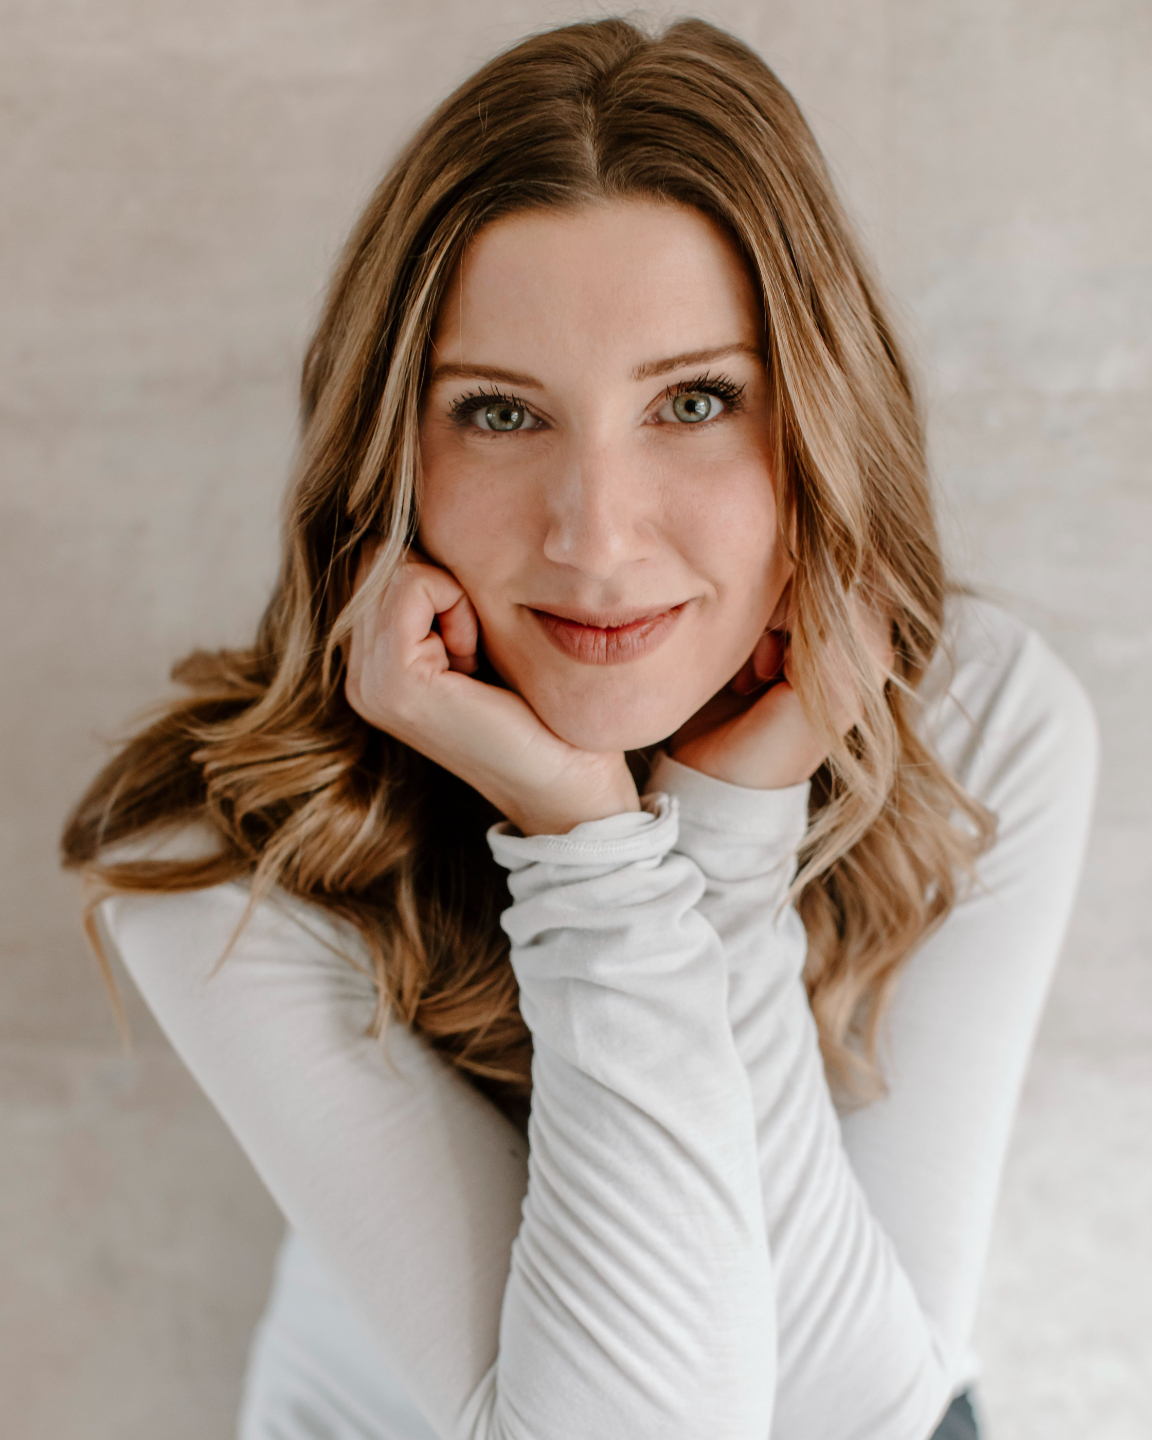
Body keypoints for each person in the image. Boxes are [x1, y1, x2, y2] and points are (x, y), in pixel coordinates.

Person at [61, 17, 1097, 1440]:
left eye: (694, 400)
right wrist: (597, 852)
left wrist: (725, 843)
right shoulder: (221, 849)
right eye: (499, 413)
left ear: (820, 421)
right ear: (390, 453)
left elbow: (860, 1418)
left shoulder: (982, 718)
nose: (596, 540)